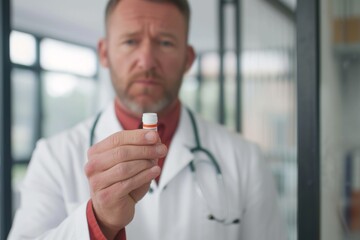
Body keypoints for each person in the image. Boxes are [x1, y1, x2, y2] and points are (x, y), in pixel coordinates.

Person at [8, 0, 286, 239]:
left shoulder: (245, 158)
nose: (147, 60)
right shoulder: (54, 156)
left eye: (165, 42)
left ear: (188, 59)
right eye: (130, 41)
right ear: (104, 53)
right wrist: (98, 221)